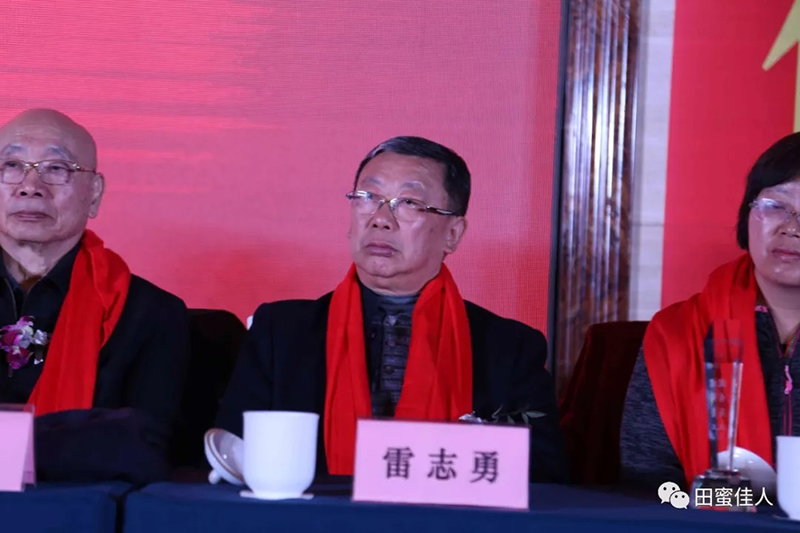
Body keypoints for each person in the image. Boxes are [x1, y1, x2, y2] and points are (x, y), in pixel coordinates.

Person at [216, 136, 568, 483]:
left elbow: (543, 470)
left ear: (453, 233)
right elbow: (233, 451)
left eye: (409, 203)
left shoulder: (509, 348)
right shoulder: (280, 333)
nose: (381, 219)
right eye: (368, 198)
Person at [0, 108, 190, 483]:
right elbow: (101, 441)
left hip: (77, 507)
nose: (30, 186)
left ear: (95, 194)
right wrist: (70, 438)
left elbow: (139, 447)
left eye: (56, 168)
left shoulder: (150, 313)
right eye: (11, 165)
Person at [620, 132, 800, 489]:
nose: (792, 229)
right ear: (747, 212)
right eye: (775, 206)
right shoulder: (678, 333)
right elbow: (648, 482)